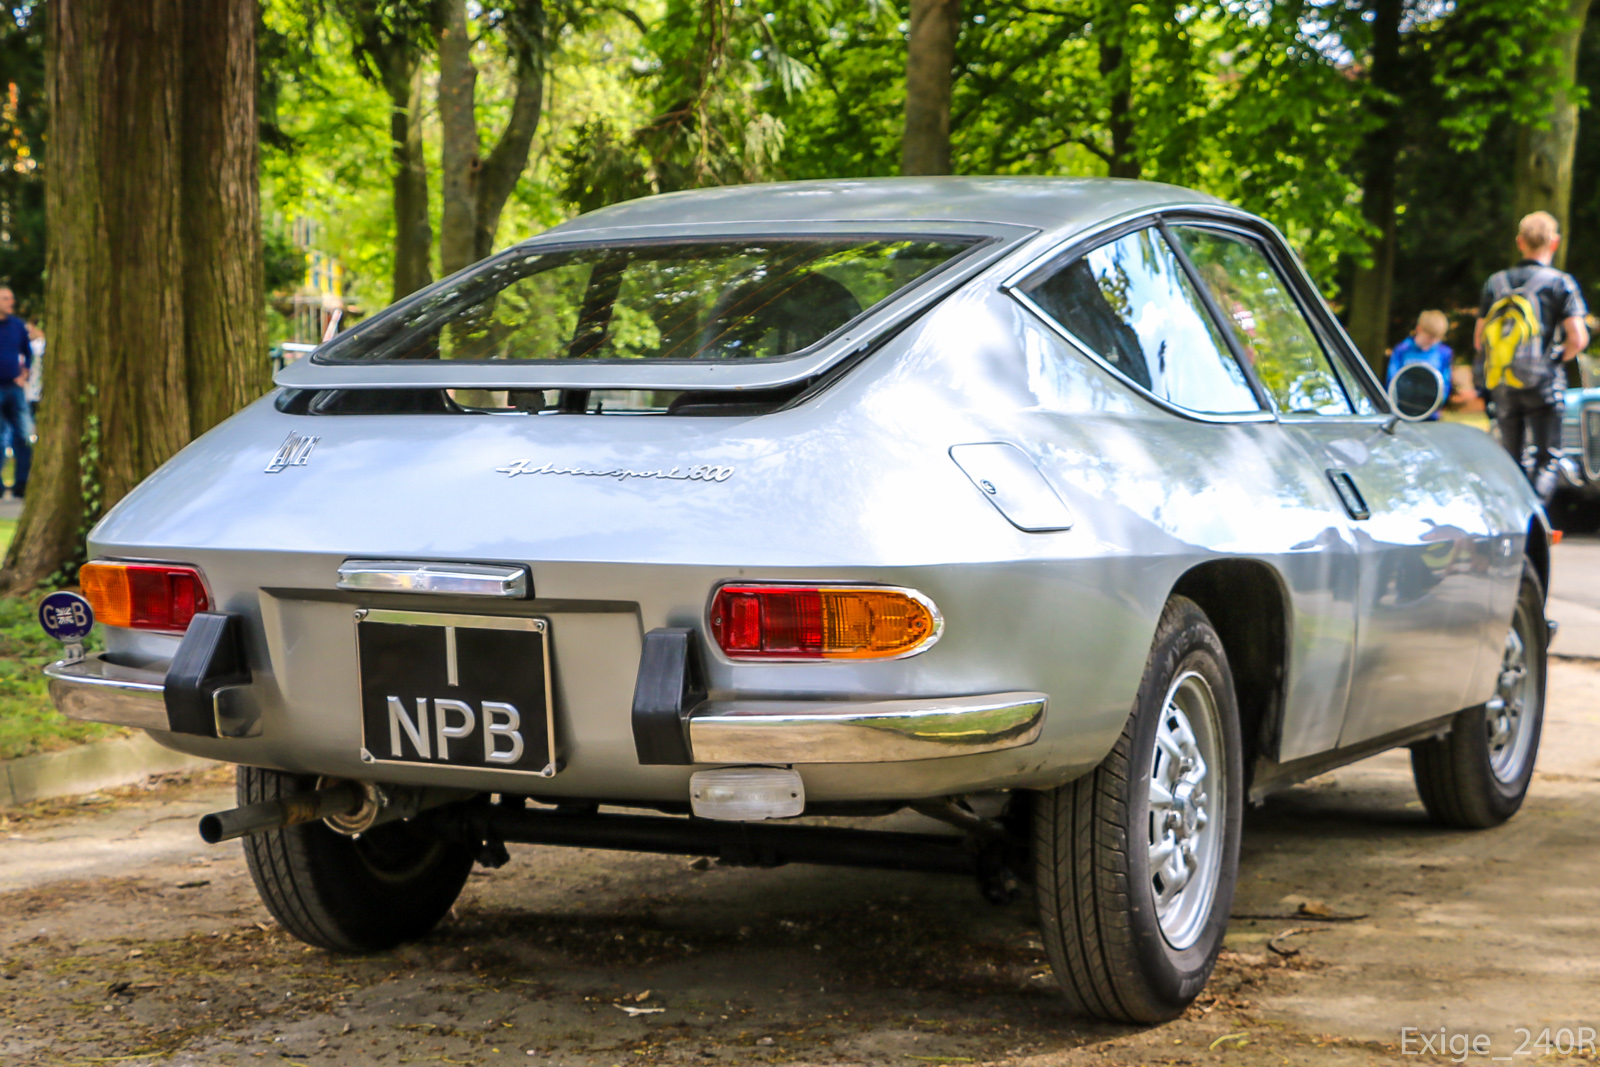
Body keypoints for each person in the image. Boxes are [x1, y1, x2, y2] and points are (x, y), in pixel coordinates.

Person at [1475, 211, 1589, 503]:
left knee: (1511, 458)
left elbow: (1479, 339)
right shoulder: (1561, 283)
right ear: (1555, 242)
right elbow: (1578, 338)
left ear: (1519, 242)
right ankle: (1533, 516)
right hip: (1543, 383)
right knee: (1546, 458)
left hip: (1502, 382)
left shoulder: (1495, 282)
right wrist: (1556, 359)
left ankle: (1513, 516)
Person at [1387, 309, 1453, 419]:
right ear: (1419, 329)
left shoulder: (1443, 352)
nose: (1433, 341)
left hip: (1431, 414)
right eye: (1430, 337)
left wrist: (1438, 402)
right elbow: (1392, 379)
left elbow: (1445, 382)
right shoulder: (1403, 350)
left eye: (1437, 338)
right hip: (1403, 410)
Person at [0, 286, 32, 499]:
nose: (11, 302)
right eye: (5, 298)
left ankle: (22, 483)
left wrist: (24, 375)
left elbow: (27, 353)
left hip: (14, 387)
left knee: (24, 435)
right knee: (1, 438)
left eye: (12, 298)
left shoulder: (17, 325)